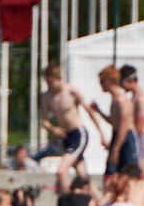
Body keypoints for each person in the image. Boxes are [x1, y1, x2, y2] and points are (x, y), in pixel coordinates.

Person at [40, 63, 106, 193]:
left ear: (59, 78)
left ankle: (67, 201)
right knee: (83, 176)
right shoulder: (47, 96)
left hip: (78, 134)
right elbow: (44, 121)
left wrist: (102, 134)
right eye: (47, 82)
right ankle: (99, 202)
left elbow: (89, 111)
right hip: (66, 136)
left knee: (61, 171)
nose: (49, 86)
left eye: (51, 82)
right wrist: (53, 129)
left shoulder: (71, 91)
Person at [89, 65, 139, 183]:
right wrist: (99, 111)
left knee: (129, 177)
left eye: (101, 81)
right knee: (110, 176)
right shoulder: (115, 99)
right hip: (118, 136)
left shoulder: (121, 100)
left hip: (126, 139)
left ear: (107, 81)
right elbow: (114, 122)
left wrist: (116, 149)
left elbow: (123, 127)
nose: (100, 85)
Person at [119, 64, 144, 177]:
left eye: (121, 83)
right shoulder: (133, 98)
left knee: (143, 176)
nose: (121, 87)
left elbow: (139, 126)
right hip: (133, 139)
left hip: (140, 140)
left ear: (130, 80)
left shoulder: (141, 99)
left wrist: (125, 140)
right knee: (132, 177)